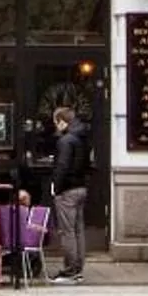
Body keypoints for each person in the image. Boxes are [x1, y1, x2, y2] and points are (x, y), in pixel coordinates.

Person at [48, 104, 91, 282]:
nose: (56, 127)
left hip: (67, 190)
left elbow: (62, 166)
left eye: (56, 123)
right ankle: (78, 269)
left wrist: (56, 187)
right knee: (78, 230)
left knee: (67, 232)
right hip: (81, 187)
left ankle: (70, 269)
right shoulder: (82, 138)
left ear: (62, 122)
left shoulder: (66, 141)